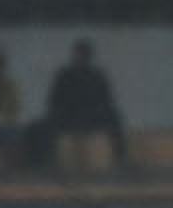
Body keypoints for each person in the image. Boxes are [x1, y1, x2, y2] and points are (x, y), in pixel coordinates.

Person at [46, 39, 127, 171]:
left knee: (115, 117)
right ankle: (51, 161)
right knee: (50, 122)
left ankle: (121, 159)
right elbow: (53, 101)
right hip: (69, 118)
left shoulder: (98, 76)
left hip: (91, 118)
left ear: (89, 57)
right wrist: (64, 111)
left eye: (84, 55)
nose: (81, 59)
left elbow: (108, 101)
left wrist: (97, 111)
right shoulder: (64, 76)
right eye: (79, 55)